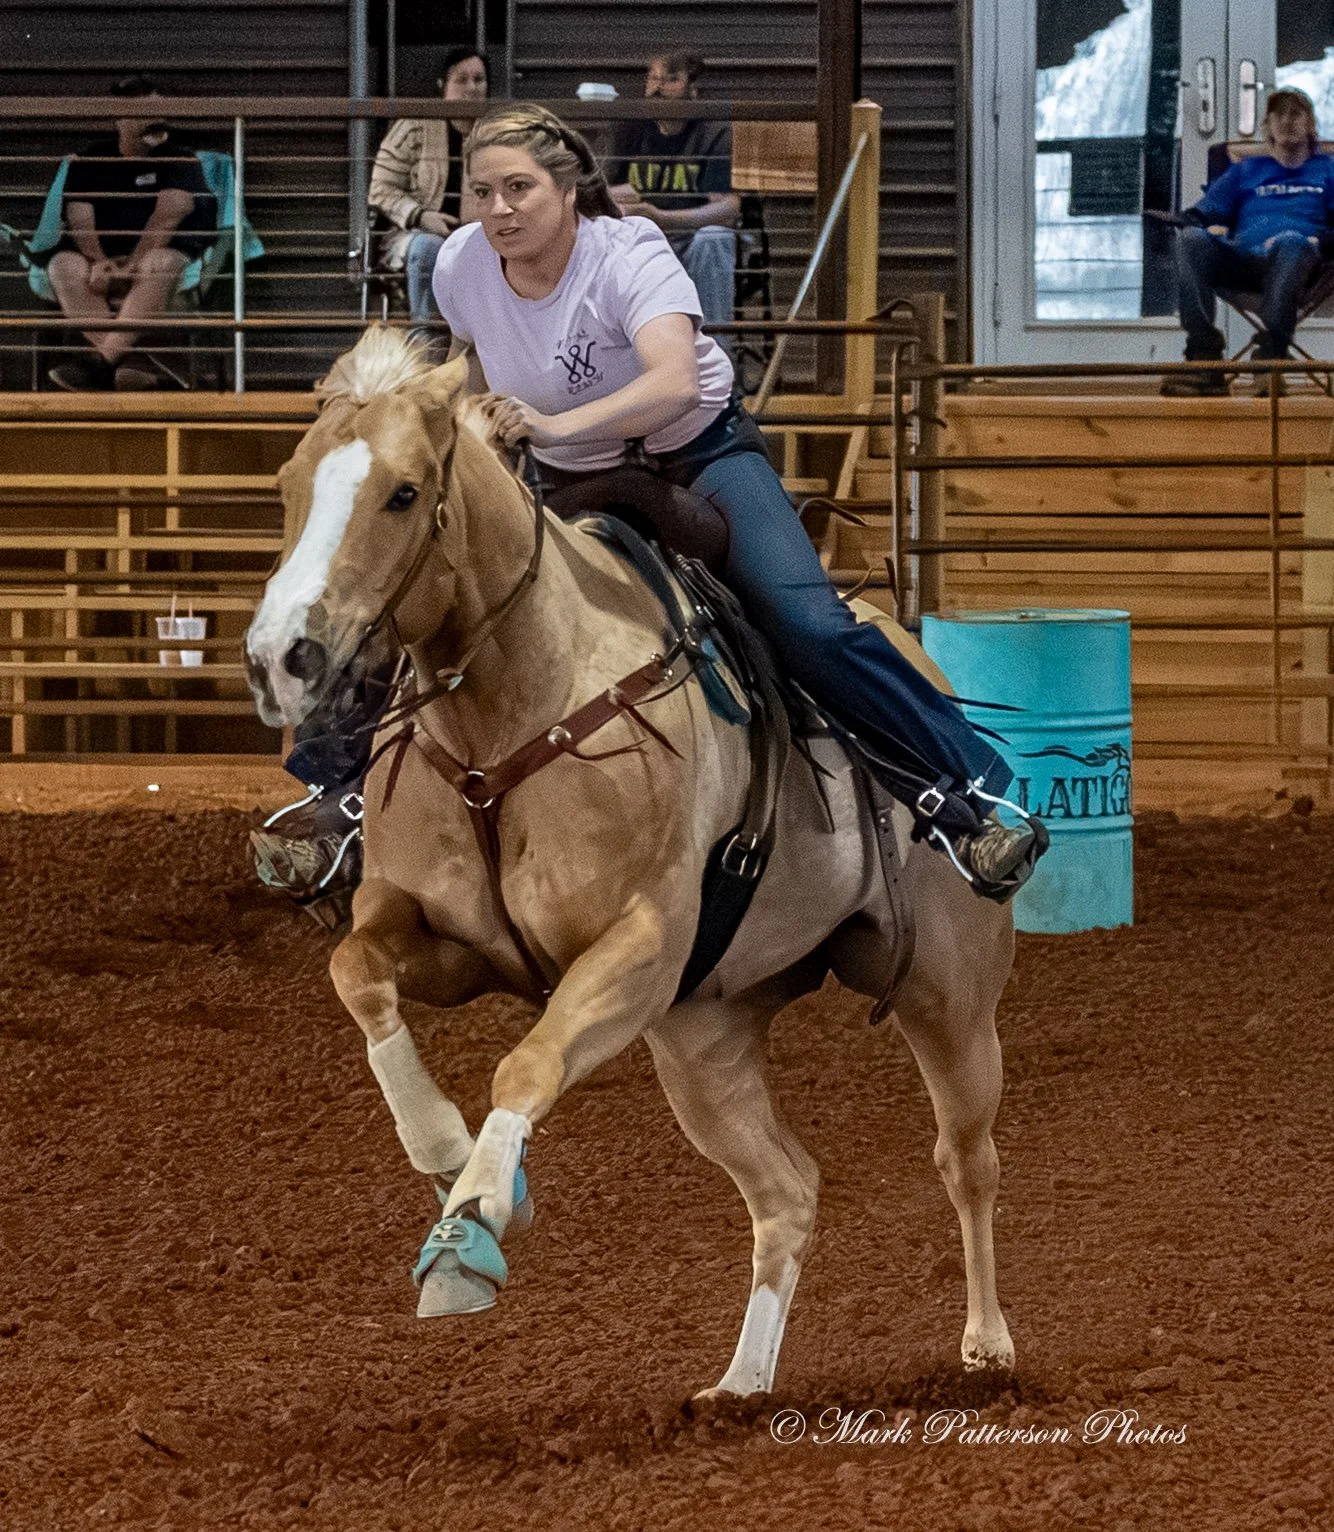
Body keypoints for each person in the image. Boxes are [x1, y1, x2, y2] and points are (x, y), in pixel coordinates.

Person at [1163, 87, 1334, 398]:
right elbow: (1206, 210)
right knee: (1189, 240)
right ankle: (1205, 359)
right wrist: (1186, 221)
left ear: (1310, 124)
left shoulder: (1328, 171)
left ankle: (1271, 352)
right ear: (1266, 126)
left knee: (1290, 241)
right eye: (1278, 115)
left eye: (1295, 114)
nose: (1286, 121)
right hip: (1243, 262)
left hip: (1298, 262)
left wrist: (1320, 239)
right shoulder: (1246, 170)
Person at [45, 75, 213, 391]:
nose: (155, 120)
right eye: (143, 112)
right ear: (120, 118)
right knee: (63, 266)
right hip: (102, 255)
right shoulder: (89, 160)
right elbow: (79, 217)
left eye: (158, 110)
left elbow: (168, 216)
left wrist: (133, 263)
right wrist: (98, 261)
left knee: (159, 264)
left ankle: (100, 365)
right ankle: (132, 365)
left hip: (160, 251)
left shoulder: (180, 158)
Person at [605, 54, 739, 334]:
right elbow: (604, 191)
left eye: (670, 79)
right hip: (639, 238)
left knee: (714, 238)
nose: (658, 88)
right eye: (652, 78)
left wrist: (661, 217)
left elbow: (727, 208)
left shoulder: (713, 132)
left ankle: (713, 353)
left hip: (691, 240)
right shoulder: (629, 127)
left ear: (693, 90)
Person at [368, 46, 489, 323]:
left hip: (481, 236)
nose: (471, 88)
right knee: (429, 249)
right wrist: (421, 216)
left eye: (479, 80)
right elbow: (380, 188)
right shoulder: (415, 126)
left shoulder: (496, 131)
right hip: (415, 235)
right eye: (461, 80)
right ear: (442, 86)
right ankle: (425, 341)